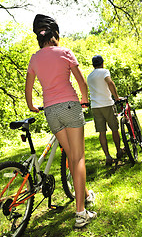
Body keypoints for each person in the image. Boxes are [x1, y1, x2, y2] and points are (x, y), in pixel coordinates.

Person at [25, 14, 97, 228]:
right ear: (55, 33)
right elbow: (80, 80)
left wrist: (31, 106)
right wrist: (84, 99)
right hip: (69, 106)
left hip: (51, 112)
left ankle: (85, 194)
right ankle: (81, 213)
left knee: (72, 157)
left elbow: (28, 88)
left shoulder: (35, 58)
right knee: (78, 158)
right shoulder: (65, 52)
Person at [87, 55, 124, 166]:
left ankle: (107, 156)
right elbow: (110, 82)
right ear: (102, 63)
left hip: (95, 107)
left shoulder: (89, 76)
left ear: (93, 65)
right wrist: (116, 97)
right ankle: (118, 151)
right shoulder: (104, 71)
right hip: (107, 104)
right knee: (114, 129)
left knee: (101, 132)